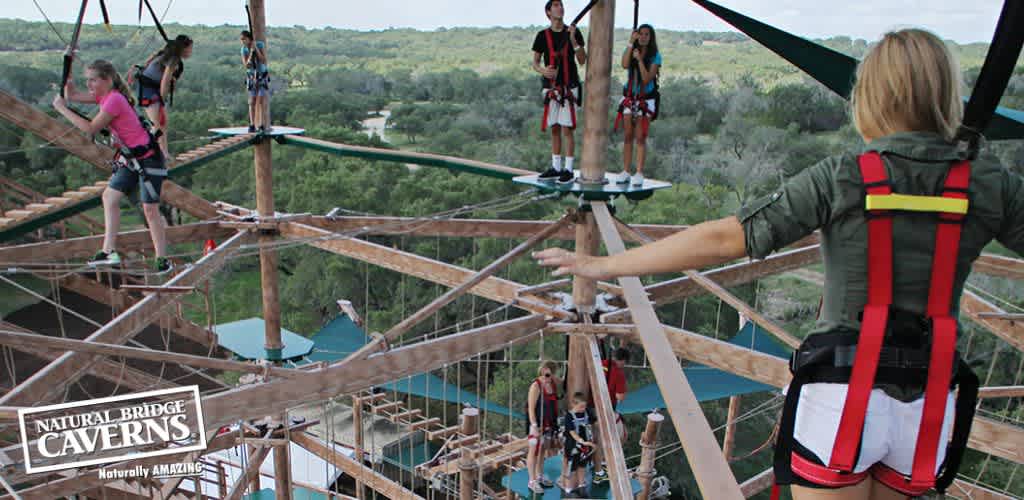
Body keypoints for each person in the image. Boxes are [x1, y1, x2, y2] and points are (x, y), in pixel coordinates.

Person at [535, 29, 1022, 500]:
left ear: (873, 97)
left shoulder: (847, 177)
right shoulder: (988, 183)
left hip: (843, 393)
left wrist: (601, 264)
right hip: (926, 399)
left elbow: (726, 238)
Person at [54, 60, 171, 273]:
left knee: (150, 209)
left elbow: (90, 128)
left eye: (93, 80)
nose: (89, 85)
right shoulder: (106, 96)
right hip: (132, 158)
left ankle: (162, 258)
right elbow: (71, 94)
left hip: (147, 158)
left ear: (107, 80)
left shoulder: (114, 100)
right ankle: (108, 251)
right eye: (87, 80)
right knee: (109, 197)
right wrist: (68, 67)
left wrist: (62, 110)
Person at [532, 0, 587, 184]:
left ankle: (569, 169)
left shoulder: (572, 32)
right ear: (548, 12)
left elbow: (582, 60)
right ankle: (556, 167)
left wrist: (573, 41)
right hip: (551, 86)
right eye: (555, 5)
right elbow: (536, 62)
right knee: (554, 127)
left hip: (568, 86)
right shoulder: (542, 36)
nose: (560, 8)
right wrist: (543, 71)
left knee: (567, 128)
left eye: (561, 5)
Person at [128, 35, 193, 158]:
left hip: (150, 88)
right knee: (157, 123)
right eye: (189, 49)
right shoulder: (172, 60)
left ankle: (164, 153)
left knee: (162, 123)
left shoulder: (165, 55)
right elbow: (165, 81)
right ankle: (157, 154)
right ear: (183, 49)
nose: (191, 52)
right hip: (148, 89)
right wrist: (162, 101)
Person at [614, 24, 660, 186]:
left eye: (647, 34)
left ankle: (639, 172)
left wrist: (640, 60)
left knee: (640, 137)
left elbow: (647, 78)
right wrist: (630, 43)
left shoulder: (655, 56)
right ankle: (626, 171)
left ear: (651, 37)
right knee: (628, 136)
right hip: (630, 97)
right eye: (641, 34)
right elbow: (625, 64)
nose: (643, 37)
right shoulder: (632, 51)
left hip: (645, 99)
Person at [590, 347, 629, 484]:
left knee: (596, 439)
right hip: (604, 409)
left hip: (589, 405)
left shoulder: (600, 363)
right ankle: (599, 472)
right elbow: (620, 396)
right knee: (605, 440)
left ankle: (598, 467)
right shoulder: (618, 373)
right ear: (622, 361)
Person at [526, 361, 561, 493]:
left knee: (542, 450)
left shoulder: (552, 383)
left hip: (549, 423)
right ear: (542, 370)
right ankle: (532, 480)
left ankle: (539, 476)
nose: (548, 377)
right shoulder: (536, 386)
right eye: (546, 373)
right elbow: (530, 408)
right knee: (534, 451)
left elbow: (561, 382)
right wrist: (534, 425)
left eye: (550, 374)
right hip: (537, 424)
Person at [562, 392, 596, 497]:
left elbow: (592, 423)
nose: (583, 408)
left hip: (585, 445)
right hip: (573, 445)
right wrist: (582, 441)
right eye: (581, 406)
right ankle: (568, 489)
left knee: (582, 466)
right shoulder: (569, 416)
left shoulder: (586, 413)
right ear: (574, 404)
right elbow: (572, 432)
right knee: (571, 467)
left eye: (584, 406)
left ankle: (581, 486)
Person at [240, 30, 269, 132]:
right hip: (251, 76)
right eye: (241, 39)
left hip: (261, 75)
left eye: (244, 39)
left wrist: (255, 49)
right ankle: (252, 124)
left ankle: (261, 124)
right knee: (252, 101)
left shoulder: (260, 45)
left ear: (249, 38)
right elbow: (246, 65)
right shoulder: (244, 49)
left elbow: (263, 60)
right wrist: (251, 53)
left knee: (260, 100)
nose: (242, 41)